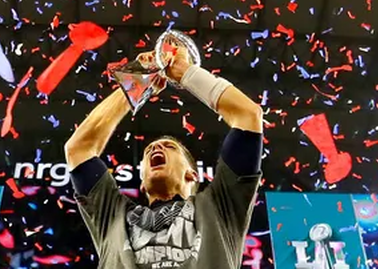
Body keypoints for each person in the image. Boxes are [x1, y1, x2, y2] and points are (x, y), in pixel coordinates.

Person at [64, 38, 264, 268]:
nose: (155, 148)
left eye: (169, 147)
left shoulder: (220, 208)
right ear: (141, 183)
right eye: (148, 150)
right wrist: (135, 84)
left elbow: (248, 116)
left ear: (192, 174)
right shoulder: (113, 216)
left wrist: (185, 71)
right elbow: (78, 149)